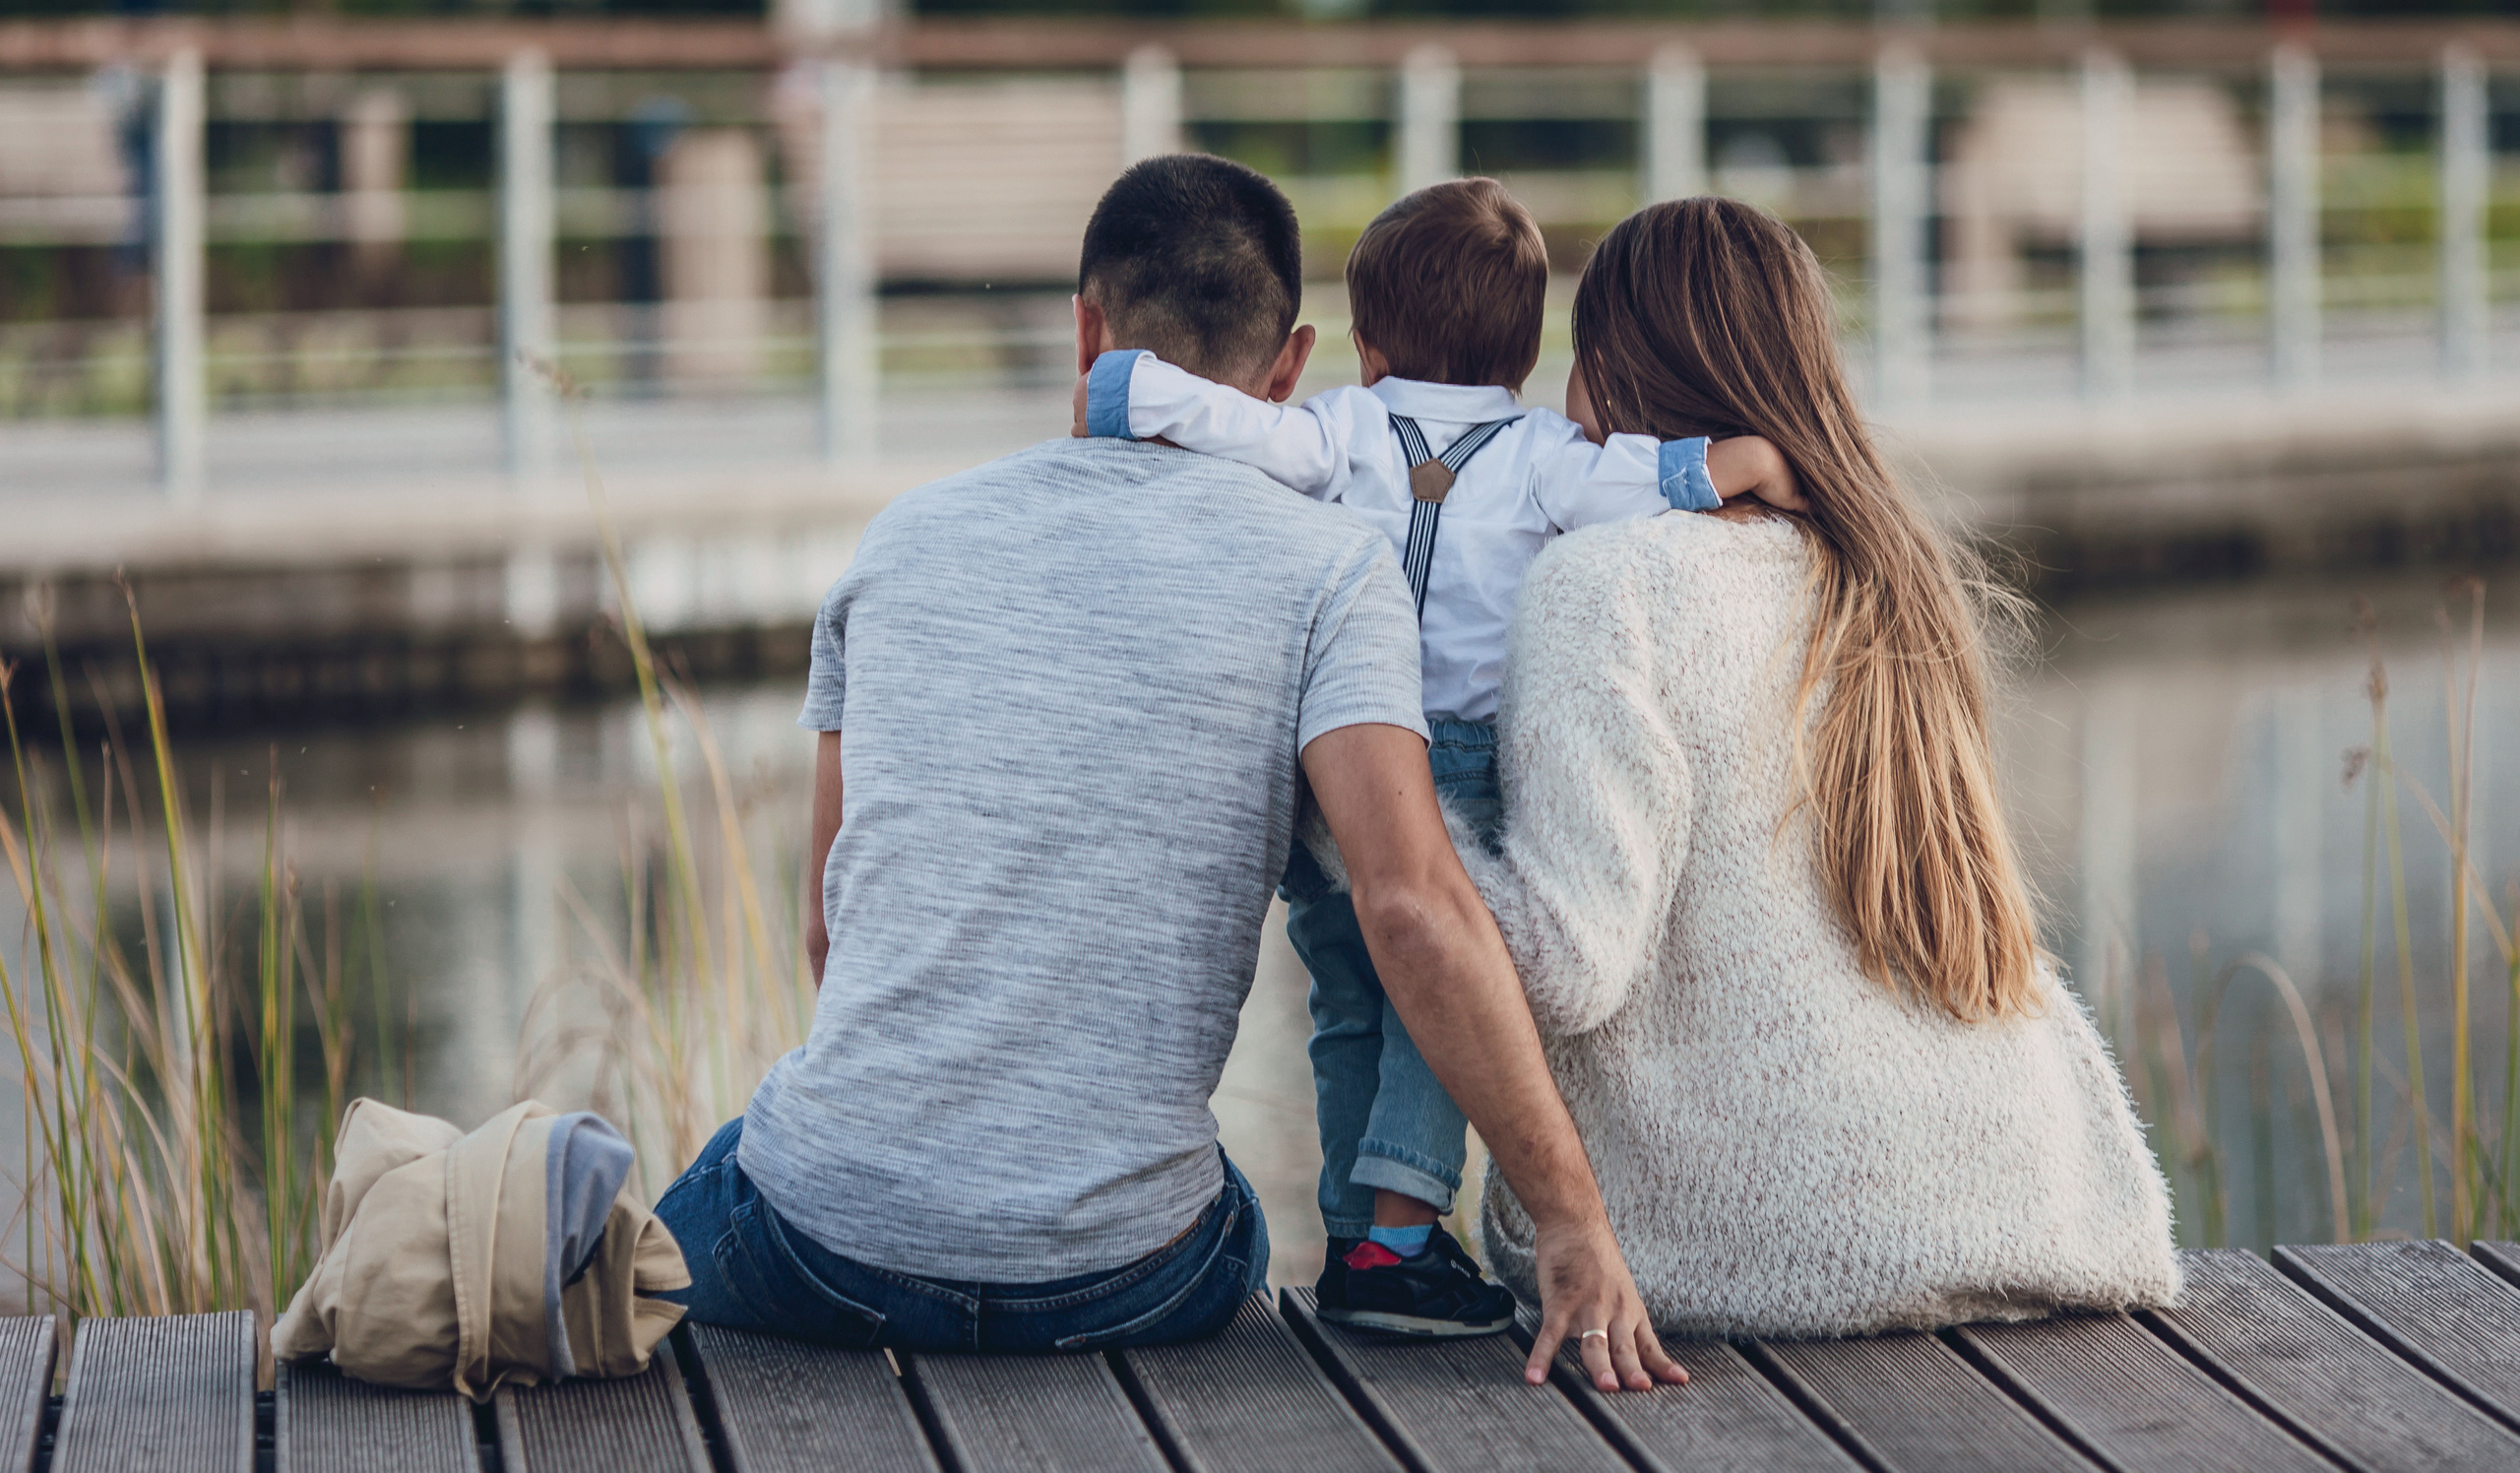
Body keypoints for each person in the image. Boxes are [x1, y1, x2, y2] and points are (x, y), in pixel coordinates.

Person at [653, 153, 1683, 1391]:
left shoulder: (902, 538)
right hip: (1125, 1275)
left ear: (1085, 328)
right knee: (1232, 1198)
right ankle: (1389, 1237)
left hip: (819, 1250)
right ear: (1291, 364)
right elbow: (1409, 905)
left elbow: (830, 931)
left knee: (717, 1178)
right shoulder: (1328, 571)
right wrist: (1570, 1222)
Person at [1443, 195, 2182, 1336]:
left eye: (1576, 362)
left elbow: (1562, 967)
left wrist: (1384, 805)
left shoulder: (1605, 584)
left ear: (1612, 370)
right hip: (2034, 1214)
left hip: (1749, 1251)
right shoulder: (1886, 568)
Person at [1075, 177, 1798, 1338]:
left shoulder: (1332, 431)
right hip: (1459, 766)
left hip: (1331, 765)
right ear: (1525, 346)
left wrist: (1116, 387)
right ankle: (1402, 1239)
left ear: (1364, 343)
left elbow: (1211, 418)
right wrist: (1757, 464)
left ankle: (1356, 1243)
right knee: (1444, 995)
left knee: (1349, 1001)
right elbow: (1659, 479)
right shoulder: (1547, 455)